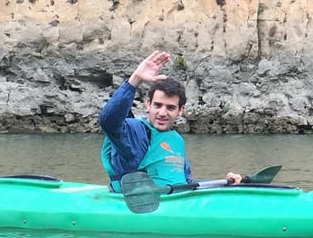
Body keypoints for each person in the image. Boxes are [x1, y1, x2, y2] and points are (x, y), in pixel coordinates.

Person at [99, 51, 242, 192]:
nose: (162, 113)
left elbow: (186, 183)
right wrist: (135, 80)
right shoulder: (135, 132)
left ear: (180, 111)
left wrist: (225, 184)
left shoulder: (176, 140)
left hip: (173, 202)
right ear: (148, 105)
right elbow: (108, 121)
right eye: (158, 105)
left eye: (170, 107)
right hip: (140, 204)